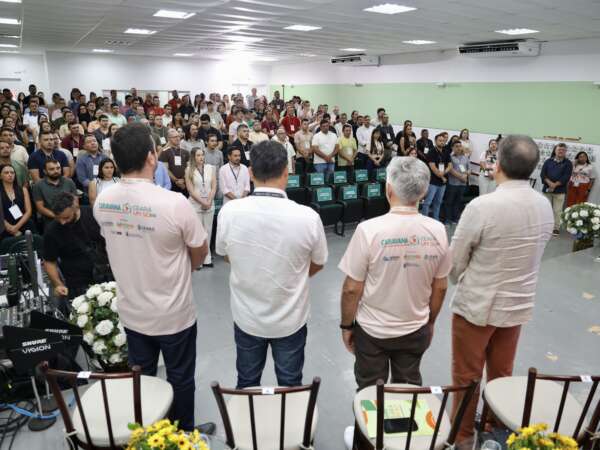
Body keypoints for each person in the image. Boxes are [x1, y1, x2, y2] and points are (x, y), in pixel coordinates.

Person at [93, 122, 213, 434]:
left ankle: (147, 434)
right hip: (173, 313)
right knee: (180, 377)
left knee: (142, 378)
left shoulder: (103, 201)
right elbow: (200, 251)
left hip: (133, 312)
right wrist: (185, 268)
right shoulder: (174, 203)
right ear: (151, 157)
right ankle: (181, 434)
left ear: (116, 160)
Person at [450, 135, 553, 442]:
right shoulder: (544, 205)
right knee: (501, 373)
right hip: (517, 305)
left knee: (466, 375)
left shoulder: (483, 206)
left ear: (497, 165)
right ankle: (493, 427)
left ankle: (463, 435)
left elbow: (455, 263)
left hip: (477, 307)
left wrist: (461, 278)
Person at [216, 140, 327, 389]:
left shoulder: (229, 213)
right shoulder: (308, 217)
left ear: (251, 173)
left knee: (247, 383)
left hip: (247, 316)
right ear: (287, 173)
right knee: (290, 384)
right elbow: (318, 263)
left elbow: (226, 255)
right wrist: (292, 274)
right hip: (290, 318)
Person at [338, 156, 450, 391]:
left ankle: (369, 416)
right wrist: (429, 322)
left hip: (372, 331)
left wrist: (347, 326)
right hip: (415, 328)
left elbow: (351, 289)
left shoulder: (368, 230)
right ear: (424, 191)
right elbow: (440, 287)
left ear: (388, 189)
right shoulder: (438, 230)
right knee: (407, 391)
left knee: (370, 391)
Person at [43, 192, 107, 300]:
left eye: (66, 217)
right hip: (77, 283)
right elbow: (49, 262)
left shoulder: (94, 214)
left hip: (105, 273)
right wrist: (58, 284)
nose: (62, 222)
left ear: (75, 208)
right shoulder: (52, 231)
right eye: (58, 218)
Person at [185, 147, 216, 268]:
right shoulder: (188, 170)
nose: (201, 157)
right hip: (195, 204)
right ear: (193, 157)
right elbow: (191, 191)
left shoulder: (210, 168)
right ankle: (198, 260)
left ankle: (207, 258)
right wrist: (202, 202)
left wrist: (208, 201)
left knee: (208, 230)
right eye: (198, 155)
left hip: (209, 203)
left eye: (202, 155)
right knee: (198, 232)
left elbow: (214, 186)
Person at [540, 143, 573, 236]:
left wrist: (554, 185)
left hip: (560, 191)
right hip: (547, 189)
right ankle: (545, 227)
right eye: (559, 149)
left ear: (565, 152)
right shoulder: (548, 161)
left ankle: (556, 228)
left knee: (557, 211)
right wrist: (550, 183)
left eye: (563, 150)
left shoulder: (568, 163)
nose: (561, 151)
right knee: (545, 209)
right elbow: (543, 174)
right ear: (555, 150)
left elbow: (566, 177)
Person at [0, 164, 34, 253]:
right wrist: (10, 228)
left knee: (31, 230)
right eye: (6, 173)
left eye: (12, 172)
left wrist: (16, 227)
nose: (10, 175)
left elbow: (28, 211)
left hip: (22, 223)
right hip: (4, 226)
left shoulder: (23, 189)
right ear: (0, 176)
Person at [32, 159, 78, 225]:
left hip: (70, 217)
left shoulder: (69, 182)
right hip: (51, 219)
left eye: (58, 168)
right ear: (45, 171)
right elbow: (40, 208)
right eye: (52, 169)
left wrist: (68, 216)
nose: (56, 171)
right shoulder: (38, 185)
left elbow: (75, 202)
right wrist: (59, 217)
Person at [421, 133, 452, 222]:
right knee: (427, 202)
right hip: (433, 182)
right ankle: (424, 221)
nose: (442, 142)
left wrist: (444, 172)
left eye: (443, 141)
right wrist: (442, 176)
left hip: (443, 183)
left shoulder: (446, 151)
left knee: (438, 203)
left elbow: (450, 165)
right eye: (440, 140)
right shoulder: (431, 152)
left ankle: (436, 220)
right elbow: (433, 168)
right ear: (435, 141)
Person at [445, 140, 470, 224]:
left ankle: (455, 218)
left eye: (460, 146)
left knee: (458, 202)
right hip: (453, 183)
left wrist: (466, 175)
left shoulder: (465, 157)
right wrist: (461, 177)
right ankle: (448, 219)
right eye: (456, 146)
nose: (459, 148)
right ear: (452, 148)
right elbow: (450, 170)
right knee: (449, 202)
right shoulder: (450, 157)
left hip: (462, 184)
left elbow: (469, 169)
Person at [159, 128, 190, 195]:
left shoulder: (186, 152)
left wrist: (183, 179)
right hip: (171, 185)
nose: (177, 138)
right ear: (169, 139)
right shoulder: (165, 152)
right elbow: (165, 169)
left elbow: (189, 168)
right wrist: (176, 180)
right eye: (175, 137)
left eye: (178, 136)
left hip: (185, 184)